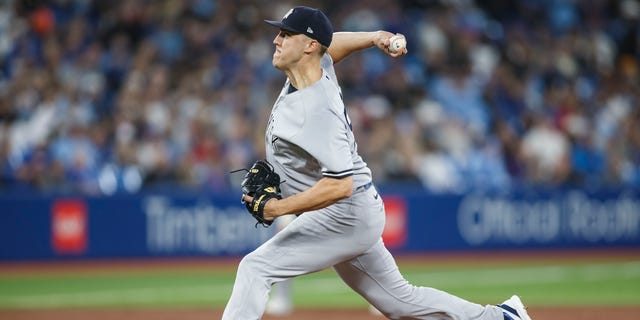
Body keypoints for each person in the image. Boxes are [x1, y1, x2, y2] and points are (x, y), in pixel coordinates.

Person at [222, 6, 532, 320]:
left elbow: (342, 185)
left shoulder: (315, 110)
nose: (276, 40)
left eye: (286, 34)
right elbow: (333, 45)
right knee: (400, 302)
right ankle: (502, 316)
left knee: (255, 267)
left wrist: (278, 208)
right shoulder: (316, 69)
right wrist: (374, 37)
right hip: (354, 211)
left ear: (308, 46)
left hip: (344, 215)